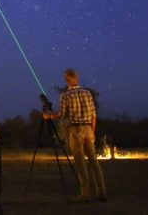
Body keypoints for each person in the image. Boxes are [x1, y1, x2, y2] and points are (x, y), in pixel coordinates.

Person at [43, 68, 107, 203]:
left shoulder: (65, 95)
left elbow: (62, 115)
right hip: (88, 129)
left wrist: (49, 116)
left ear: (66, 80)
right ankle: (102, 192)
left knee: (80, 163)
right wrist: (93, 132)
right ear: (76, 78)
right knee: (93, 161)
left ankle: (85, 194)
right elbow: (93, 116)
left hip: (75, 129)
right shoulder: (87, 93)